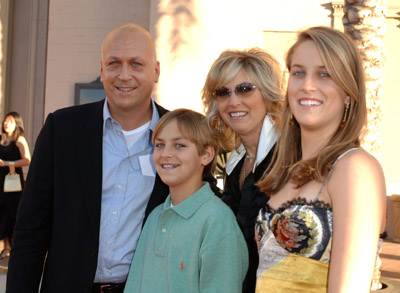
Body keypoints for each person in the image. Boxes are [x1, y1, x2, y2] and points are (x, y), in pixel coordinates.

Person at [6, 23, 170, 292]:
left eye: (137, 64)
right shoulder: (62, 129)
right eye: (114, 63)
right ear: (102, 70)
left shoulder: (182, 136)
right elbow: (31, 230)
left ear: (156, 71)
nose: (124, 75)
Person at [255, 26, 386, 292]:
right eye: (298, 73)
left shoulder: (355, 169)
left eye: (324, 74)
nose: (307, 85)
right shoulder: (285, 172)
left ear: (349, 91)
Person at [124, 109, 248, 292]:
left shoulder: (218, 221)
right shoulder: (155, 216)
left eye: (179, 145)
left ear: (206, 155)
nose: (165, 153)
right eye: (159, 145)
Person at [202, 48, 284, 292]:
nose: (233, 101)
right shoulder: (234, 161)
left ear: (267, 93)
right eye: (223, 92)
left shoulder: (289, 154)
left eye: (245, 89)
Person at [0, 112, 31, 259]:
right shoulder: (1, 139)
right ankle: (6, 246)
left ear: (17, 124)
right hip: (0, 182)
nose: (6, 123)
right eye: (5, 121)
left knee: (11, 213)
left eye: (10, 121)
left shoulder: (19, 140)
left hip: (13, 184)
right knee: (2, 213)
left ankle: (12, 247)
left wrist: (7, 163)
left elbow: (27, 160)